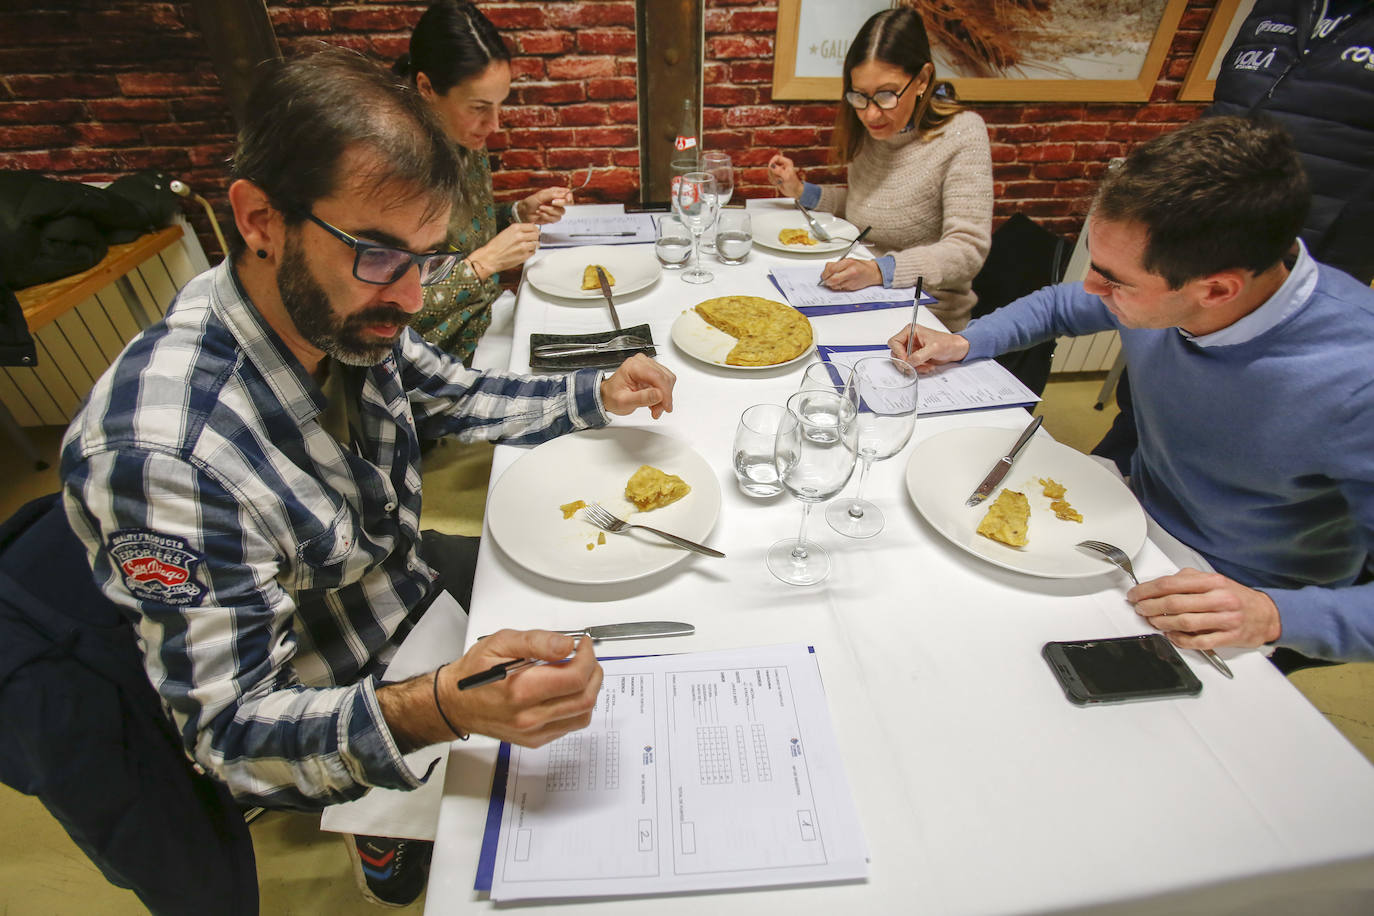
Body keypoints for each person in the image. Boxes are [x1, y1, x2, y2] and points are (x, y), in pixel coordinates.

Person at [59, 48, 676, 907]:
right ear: (259, 219)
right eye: (382, 254)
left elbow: (453, 396)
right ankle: (383, 837)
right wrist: (440, 711)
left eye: (426, 257)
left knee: (633, 620)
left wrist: (595, 393)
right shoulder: (165, 456)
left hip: (397, 580)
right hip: (334, 681)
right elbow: (231, 737)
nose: (417, 299)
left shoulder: (346, 304)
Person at [888, 116, 1374, 666]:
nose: (1095, 289)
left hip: (1233, 596)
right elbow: (1062, 305)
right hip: (1130, 522)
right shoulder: (1169, 282)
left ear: (1216, 290)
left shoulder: (1358, 378)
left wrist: (1273, 616)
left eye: (1113, 280)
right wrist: (965, 343)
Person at [1095, 0, 1374, 473]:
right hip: (1191, 245)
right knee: (1152, 393)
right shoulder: (1280, 6)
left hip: (1295, 254)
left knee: (1241, 436)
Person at [767, 6, 992, 331]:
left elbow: (967, 250)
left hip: (926, 318)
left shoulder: (961, 133)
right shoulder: (877, 130)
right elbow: (869, 206)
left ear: (922, 79)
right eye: (859, 96)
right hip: (864, 296)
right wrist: (802, 191)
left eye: (886, 94)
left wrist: (880, 271)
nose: (870, 114)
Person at [396, 0, 573, 365]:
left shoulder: (461, 135)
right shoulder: (392, 166)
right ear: (426, 87)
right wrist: (482, 265)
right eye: (479, 107)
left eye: (499, 105)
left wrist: (516, 212)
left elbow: (457, 235)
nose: (494, 125)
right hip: (435, 362)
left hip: (485, 324)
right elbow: (384, 313)